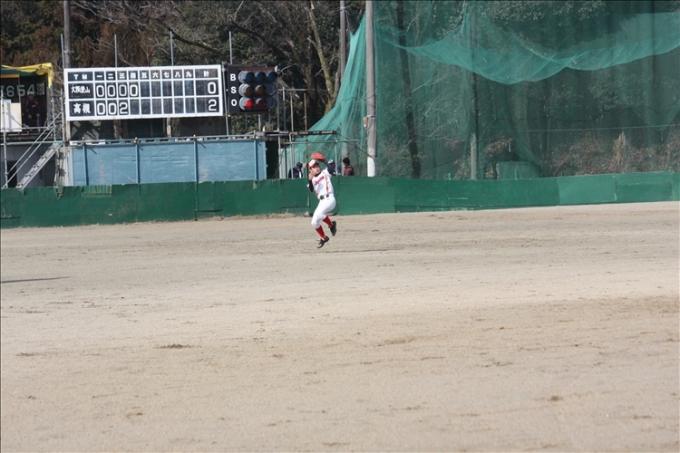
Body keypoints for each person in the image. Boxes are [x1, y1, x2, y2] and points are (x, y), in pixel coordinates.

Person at [307, 159, 337, 248]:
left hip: (330, 199)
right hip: (322, 202)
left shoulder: (325, 173)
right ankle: (324, 237)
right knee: (314, 222)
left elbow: (332, 170)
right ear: (310, 170)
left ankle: (331, 225)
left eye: (317, 166)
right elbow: (311, 189)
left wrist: (324, 161)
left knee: (320, 214)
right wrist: (309, 180)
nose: (316, 168)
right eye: (314, 167)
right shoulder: (312, 180)